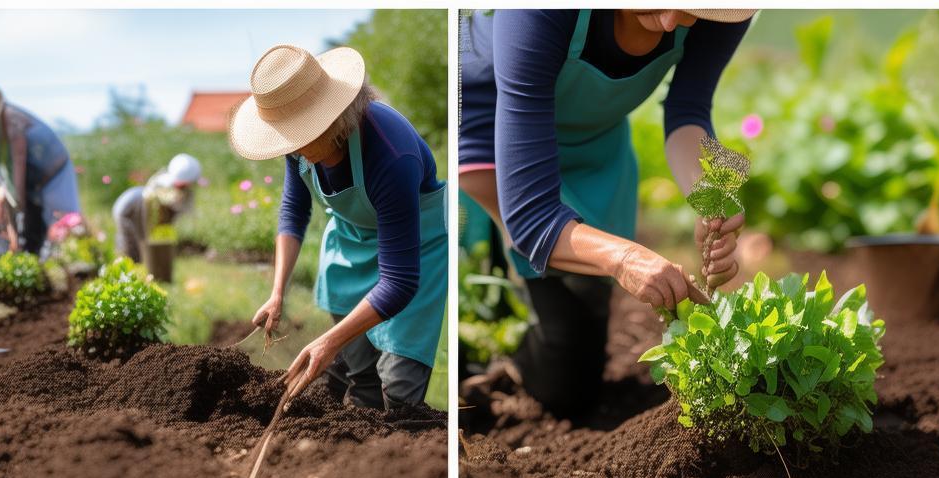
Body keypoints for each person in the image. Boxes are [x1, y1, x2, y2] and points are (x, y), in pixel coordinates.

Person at [459, 9, 753, 414]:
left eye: (689, 10)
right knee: (482, 282)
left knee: (570, 379)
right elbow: (533, 218)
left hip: (593, 138)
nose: (669, 23)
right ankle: (477, 353)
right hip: (491, 128)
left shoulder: (723, 14)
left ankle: (520, 337)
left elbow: (690, 110)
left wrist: (710, 191)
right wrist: (625, 258)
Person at [229, 44, 447, 411]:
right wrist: (277, 291)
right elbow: (294, 211)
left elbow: (399, 282)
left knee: (398, 387)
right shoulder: (296, 144)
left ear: (329, 118)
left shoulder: (392, 154)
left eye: (299, 136)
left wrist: (327, 342)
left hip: (413, 252)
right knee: (360, 380)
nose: (292, 148)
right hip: (349, 246)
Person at [0, 86, 81, 277]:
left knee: (30, 222)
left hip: (38, 178)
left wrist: (15, 218)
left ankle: (27, 267)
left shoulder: (14, 126)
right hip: (3, 179)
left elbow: (16, 176)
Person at [112, 154, 203, 262]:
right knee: (131, 245)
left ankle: (139, 268)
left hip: (131, 203)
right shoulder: (161, 186)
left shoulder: (180, 188)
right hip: (127, 209)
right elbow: (158, 211)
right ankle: (129, 268)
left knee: (141, 245)